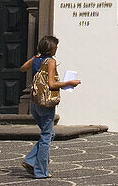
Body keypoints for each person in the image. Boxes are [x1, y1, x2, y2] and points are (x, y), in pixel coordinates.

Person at [20, 35, 81, 178]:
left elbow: (23, 68)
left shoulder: (35, 59)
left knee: (49, 133)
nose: (56, 49)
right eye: (55, 47)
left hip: (34, 102)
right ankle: (40, 171)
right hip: (46, 103)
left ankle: (30, 160)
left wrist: (35, 57)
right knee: (47, 137)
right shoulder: (51, 61)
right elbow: (52, 84)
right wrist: (69, 83)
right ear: (50, 47)